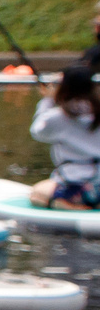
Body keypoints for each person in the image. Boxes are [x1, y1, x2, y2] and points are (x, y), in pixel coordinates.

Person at [29, 67, 100, 210]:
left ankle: (68, 204)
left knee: (36, 193)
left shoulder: (57, 117)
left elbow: (37, 131)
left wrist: (47, 100)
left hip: (75, 185)